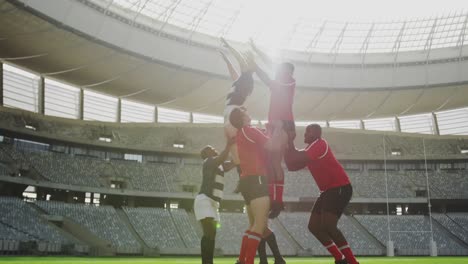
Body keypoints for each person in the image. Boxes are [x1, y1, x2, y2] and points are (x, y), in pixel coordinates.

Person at [284, 124, 359, 264]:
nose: (305, 135)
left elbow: (297, 158)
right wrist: (287, 143)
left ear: (316, 134)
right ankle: (339, 258)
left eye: (308, 132)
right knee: (313, 226)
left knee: (329, 226)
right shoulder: (310, 149)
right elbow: (291, 166)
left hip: (340, 187)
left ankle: (352, 261)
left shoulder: (320, 144)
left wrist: (289, 141)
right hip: (328, 191)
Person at [229, 107, 285, 264]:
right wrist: (278, 128)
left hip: (246, 182)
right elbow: (273, 146)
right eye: (244, 111)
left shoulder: (241, 133)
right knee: (259, 226)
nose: (248, 112)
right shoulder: (249, 130)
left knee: (253, 225)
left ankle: (241, 261)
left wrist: (266, 132)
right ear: (242, 117)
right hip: (257, 180)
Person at [250, 40, 296, 219]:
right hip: (275, 123)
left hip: (283, 123)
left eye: (281, 70)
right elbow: (272, 65)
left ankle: (277, 201)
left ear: (288, 72)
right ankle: (274, 200)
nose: (278, 71)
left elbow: (267, 77)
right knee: (270, 163)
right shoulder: (282, 79)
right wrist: (257, 49)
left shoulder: (289, 82)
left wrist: (255, 67)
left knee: (275, 162)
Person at [194, 139, 236, 264]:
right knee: (208, 233)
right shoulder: (208, 162)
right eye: (210, 148)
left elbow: (233, 163)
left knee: (212, 234)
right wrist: (229, 143)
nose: (213, 148)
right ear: (206, 154)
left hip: (212, 203)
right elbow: (223, 156)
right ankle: (207, 262)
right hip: (205, 200)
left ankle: (208, 261)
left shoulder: (219, 165)